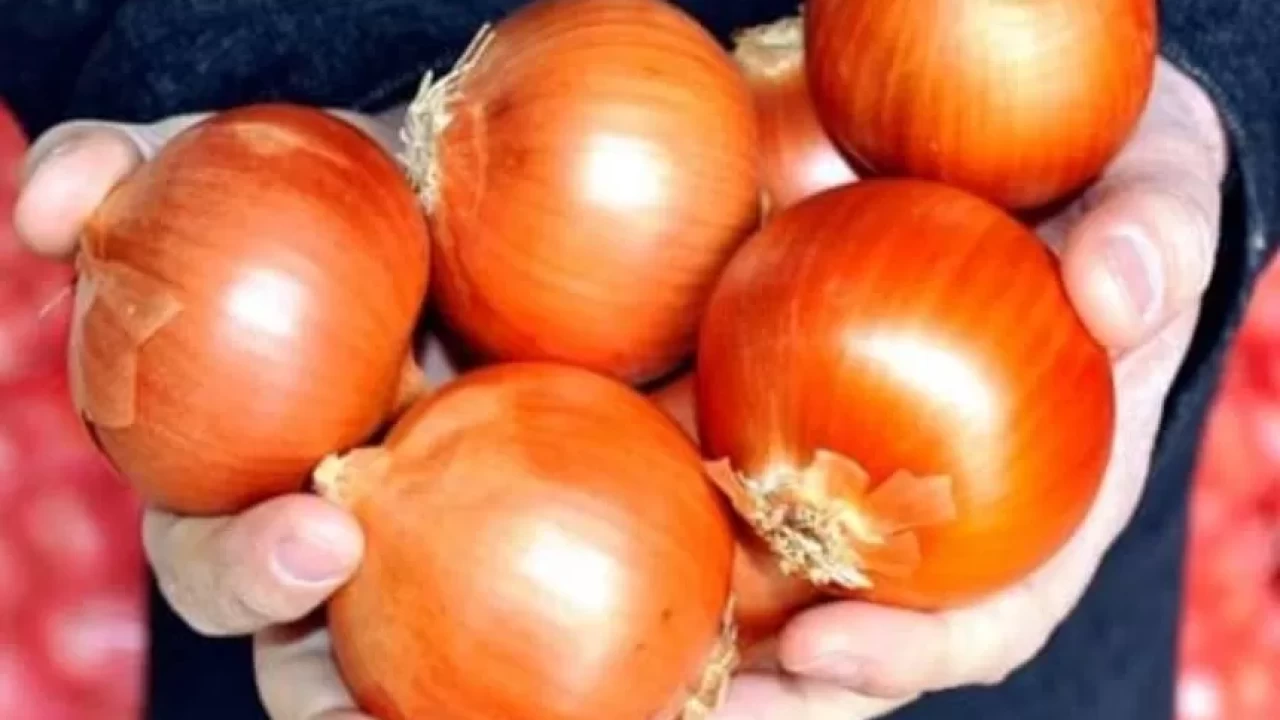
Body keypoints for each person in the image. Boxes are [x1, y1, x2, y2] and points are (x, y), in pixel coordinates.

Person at [4, 1, 1277, 718]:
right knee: (290, 587)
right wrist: (216, 51)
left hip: (1020, 495)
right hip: (350, 487)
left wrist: (1209, 65)